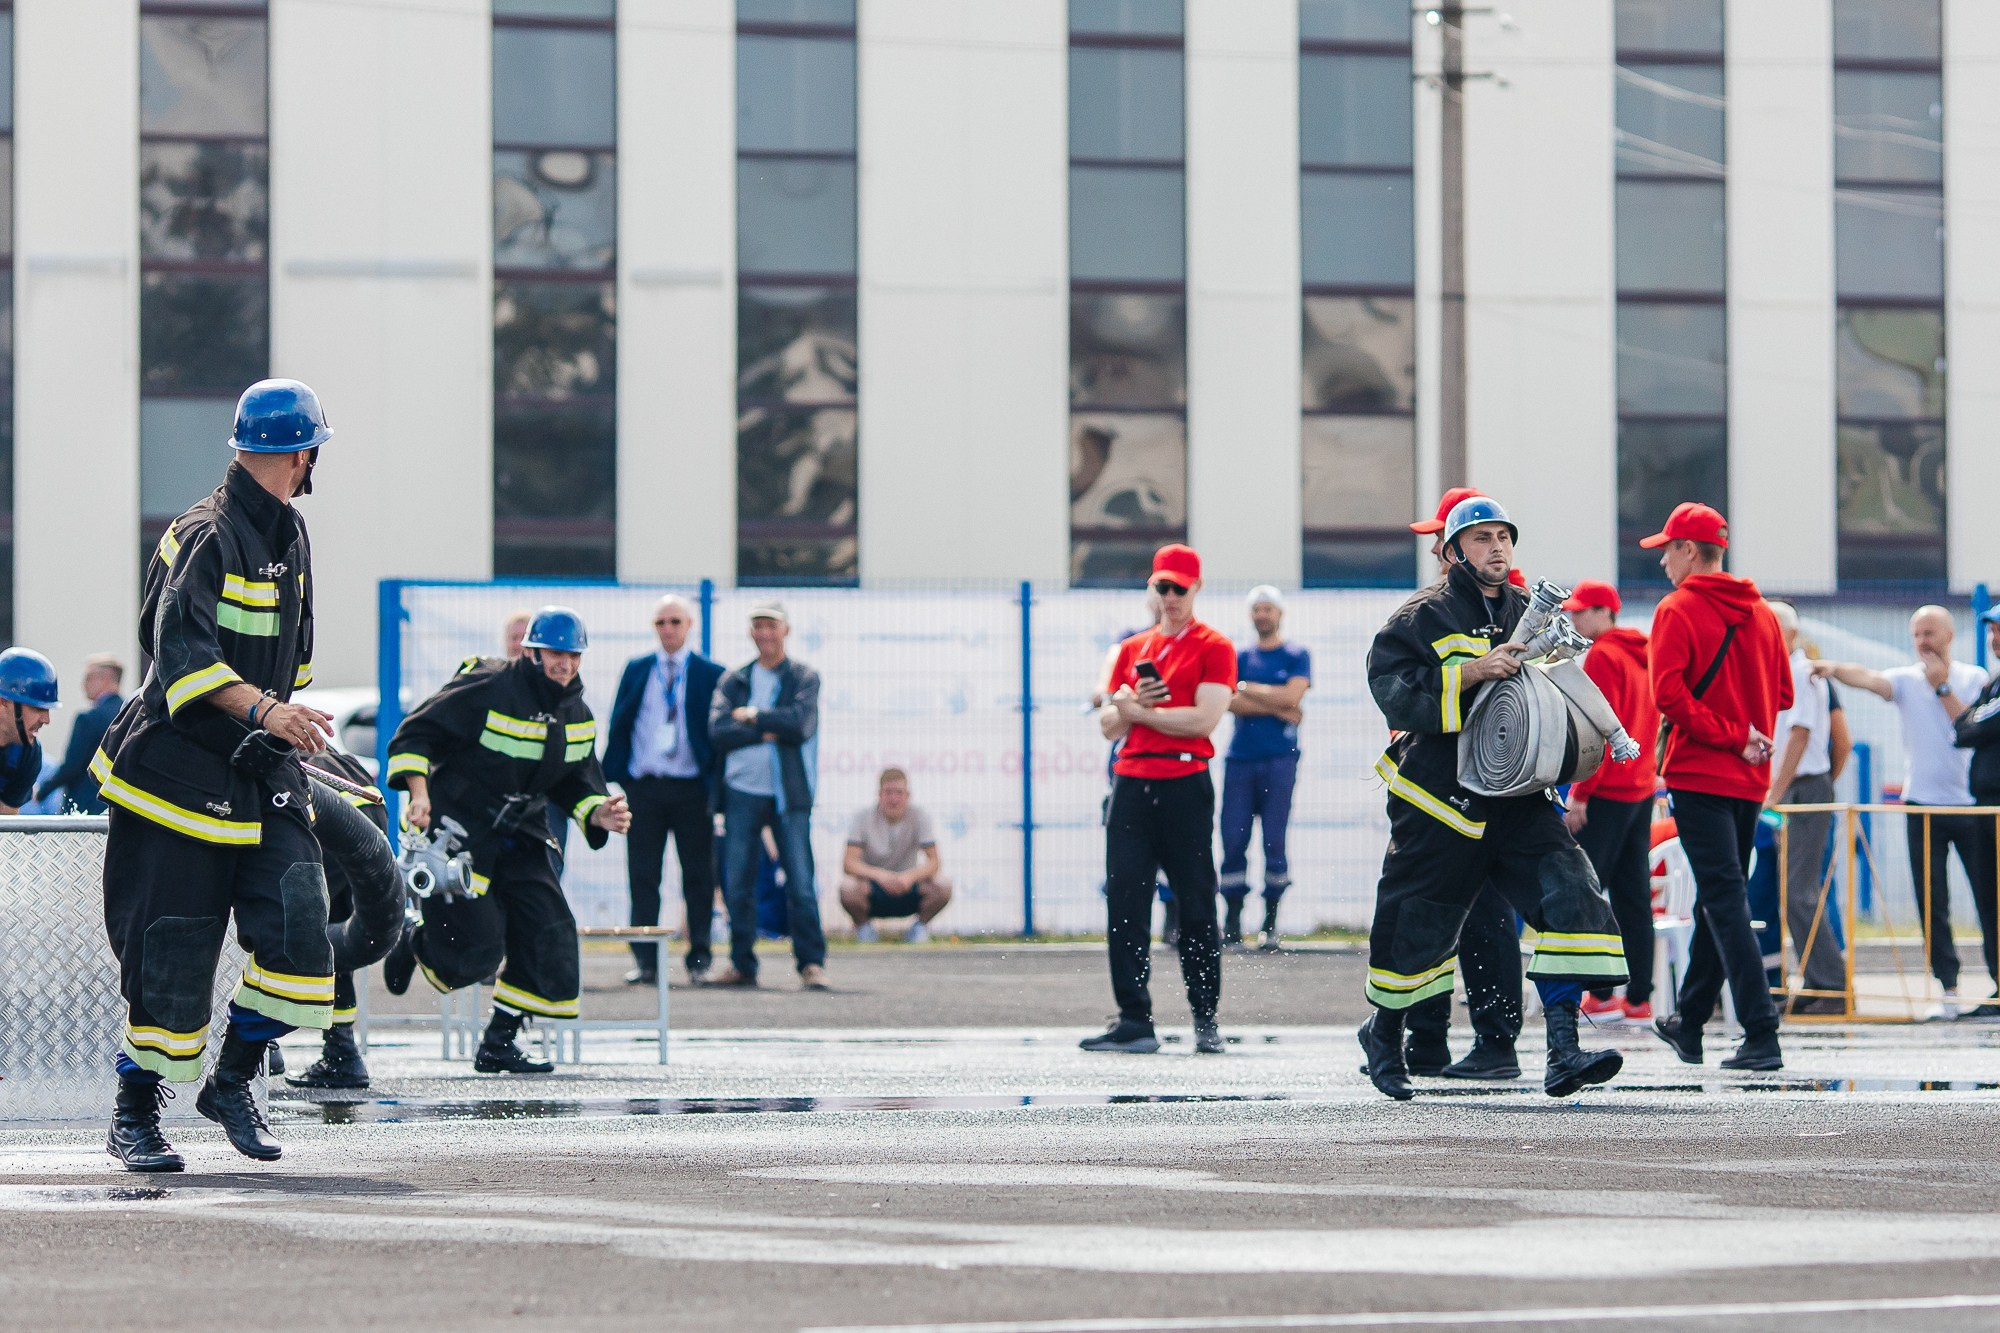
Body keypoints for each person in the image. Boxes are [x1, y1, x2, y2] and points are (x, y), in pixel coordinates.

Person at [98, 379, 338, 1171]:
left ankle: (231, 1080)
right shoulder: (207, 532)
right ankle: (134, 1114)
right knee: (170, 953)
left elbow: (288, 658)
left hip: (259, 767)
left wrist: (289, 726)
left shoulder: (290, 533)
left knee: (302, 923)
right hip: (175, 772)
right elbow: (179, 658)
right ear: (301, 454)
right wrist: (269, 712)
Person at [1357, 496, 1628, 1101]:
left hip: (1519, 798)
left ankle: (1563, 1049)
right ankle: (1383, 1037)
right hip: (1438, 800)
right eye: (1481, 539)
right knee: (1417, 925)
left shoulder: (1528, 612)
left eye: (1503, 536)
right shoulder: (1419, 618)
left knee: (1572, 896)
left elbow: (1559, 686)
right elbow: (1393, 693)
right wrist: (1473, 672)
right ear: (1453, 551)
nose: (1497, 548)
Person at [380, 606, 632, 1072]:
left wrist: (600, 812)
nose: (566, 664)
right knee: (475, 953)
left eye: (574, 655)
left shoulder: (577, 713)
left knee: (550, 934)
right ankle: (414, 940)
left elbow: (576, 782)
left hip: (522, 830)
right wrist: (419, 796)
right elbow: (414, 736)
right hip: (459, 827)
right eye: (556, 653)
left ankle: (499, 1042)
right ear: (532, 652)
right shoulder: (488, 685)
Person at [1643, 501, 1790, 1072]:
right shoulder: (1764, 614)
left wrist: (1729, 736)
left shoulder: (1677, 609)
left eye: (1666, 550)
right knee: (1716, 893)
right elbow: (1781, 697)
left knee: (1724, 898)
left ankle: (1761, 1032)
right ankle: (1691, 1021)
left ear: (1688, 550)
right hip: (1751, 778)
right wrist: (1749, 738)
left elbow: (1668, 696)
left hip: (1701, 773)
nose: (1662, 563)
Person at [1085, 542, 1235, 1056]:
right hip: (1131, 783)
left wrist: (1136, 711)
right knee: (1125, 902)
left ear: (1195, 589)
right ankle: (1133, 1018)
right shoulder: (1132, 649)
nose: (1169, 597)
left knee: (1196, 902)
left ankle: (1205, 1017)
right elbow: (1107, 724)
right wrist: (1127, 709)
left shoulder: (1215, 645)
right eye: (1161, 587)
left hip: (1184, 782)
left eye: (1178, 588)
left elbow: (1202, 720)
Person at [1401, 487, 1525, 1082]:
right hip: (1472, 785)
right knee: (1459, 913)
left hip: (1463, 789)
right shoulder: (1462, 609)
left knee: (1469, 915)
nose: (1434, 551)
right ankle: (1430, 1041)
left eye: (1442, 539)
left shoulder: (1506, 612)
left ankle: (1487, 1043)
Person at [1816, 605, 1995, 1015]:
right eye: (1916, 634)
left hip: (1970, 806)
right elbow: (1870, 680)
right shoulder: (1906, 679)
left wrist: (1941, 687)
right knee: (1932, 901)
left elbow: (1969, 729)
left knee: (1988, 896)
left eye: (1929, 633)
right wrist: (1830, 668)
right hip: (1923, 804)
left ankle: (1994, 985)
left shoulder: (1975, 679)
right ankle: (1947, 990)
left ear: (1949, 635)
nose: (1922, 642)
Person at [708, 601, 829, 990]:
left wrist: (754, 715)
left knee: (800, 881)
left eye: (771, 626)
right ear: (751, 632)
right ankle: (742, 963)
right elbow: (719, 730)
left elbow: (800, 725)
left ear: (785, 631)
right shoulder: (734, 678)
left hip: (788, 794)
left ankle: (811, 964)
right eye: (758, 626)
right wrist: (767, 728)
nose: (765, 633)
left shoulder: (804, 676)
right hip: (741, 792)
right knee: (738, 883)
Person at [604, 594, 724, 986]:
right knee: (643, 876)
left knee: (698, 877)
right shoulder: (638, 669)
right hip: (646, 788)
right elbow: (620, 722)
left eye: (675, 621)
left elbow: (717, 732)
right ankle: (646, 960)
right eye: (661, 623)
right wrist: (617, 774)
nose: (668, 629)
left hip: (692, 789)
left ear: (689, 625)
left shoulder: (710, 672)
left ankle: (700, 958)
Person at [1561, 580, 1659, 1024]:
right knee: (1633, 897)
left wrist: (1579, 794)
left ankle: (1599, 994)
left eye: (1582, 612)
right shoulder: (1646, 652)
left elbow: (1597, 727)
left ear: (1605, 612)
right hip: (1640, 789)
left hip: (1605, 792)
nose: (1573, 619)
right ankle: (1638, 998)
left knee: (1588, 892)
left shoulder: (1602, 655)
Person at [284, 747, 392, 1089]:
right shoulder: (336, 756)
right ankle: (342, 1054)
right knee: (334, 946)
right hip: (363, 835)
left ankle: (261, 1046)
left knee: (275, 929)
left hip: (325, 831)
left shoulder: (292, 759)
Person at [1761, 601, 1848, 1015]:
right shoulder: (1782, 672)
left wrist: (1775, 794)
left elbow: (1800, 736)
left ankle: (1831, 986)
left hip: (1804, 787)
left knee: (1800, 892)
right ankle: (1817, 982)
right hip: (1794, 786)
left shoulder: (1800, 672)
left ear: (1789, 634)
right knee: (1792, 892)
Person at [1220, 585, 1309, 951]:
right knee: (1232, 841)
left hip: (1280, 760)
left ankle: (1270, 924)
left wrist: (1249, 690)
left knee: (1275, 840)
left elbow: (1294, 697)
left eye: (1267, 609)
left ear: (1279, 614)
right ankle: (1232, 922)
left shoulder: (1296, 653)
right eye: (1256, 610)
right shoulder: (1239, 656)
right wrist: (1278, 705)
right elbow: (1229, 701)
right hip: (1240, 760)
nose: (1262, 615)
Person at [840, 768, 953, 942]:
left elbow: (934, 862)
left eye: (899, 793)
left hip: (908, 886)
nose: (893, 799)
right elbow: (849, 863)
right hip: (873, 888)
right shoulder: (862, 817)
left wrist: (909, 877)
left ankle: (919, 928)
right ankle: (864, 929)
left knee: (943, 886)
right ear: (879, 794)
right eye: (888, 793)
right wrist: (881, 876)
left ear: (907, 795)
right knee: (847, 889)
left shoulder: (920, 816)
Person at [1954, 606, 2000, 1020]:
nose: (1995, 638)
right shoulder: (1992, 684)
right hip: (1984, 806)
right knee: (1989, 900)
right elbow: (1963, 729)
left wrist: (1971, 723)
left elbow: (1977, 728)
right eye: (1993, 630)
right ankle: (1998, 984)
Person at [36, 654, 122, 814]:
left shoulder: (89, 719)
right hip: (118, 811)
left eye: (88, 678)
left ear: (105, 679)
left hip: (85, 809)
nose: (83, 685)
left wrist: (41, 791)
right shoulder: (130, 715)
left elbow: (72, 767)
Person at [0, 648, 56, 814]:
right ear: (3, 702)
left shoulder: (26, 754)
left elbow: (7, 823)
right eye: (36, 708)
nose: (46, 720)